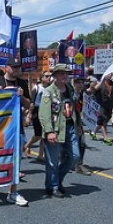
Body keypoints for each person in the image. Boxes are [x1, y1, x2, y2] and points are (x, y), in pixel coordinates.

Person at [0, 58, 30, 207]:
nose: (16, 69)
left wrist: (22, 97)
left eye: (18, 67)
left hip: (15, 127)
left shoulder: (22, 83)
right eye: (13, 67)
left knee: (15, 160)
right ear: (6, 68)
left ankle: (12, 192)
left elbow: (29, 104)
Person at [38, 64, 81, 198]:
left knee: (75, 156)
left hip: (70, 127)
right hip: (55, 129)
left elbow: (75, 108)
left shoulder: (69, 89)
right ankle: (53, 186)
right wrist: (49, 131)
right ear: (55, 76)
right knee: (53, 160)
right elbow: (44, 113)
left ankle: (56, 179)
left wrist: (78, 124)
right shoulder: (48, 91)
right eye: (62, 73)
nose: (65, 76)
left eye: (66, 73)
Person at [24, 70, 52, 160]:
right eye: (46, 76)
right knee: (38, 134)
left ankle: (40, 154)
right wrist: (29, 115)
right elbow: (31, 103)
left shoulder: (51, 89)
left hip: (47, 111)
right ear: (41, 78)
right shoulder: (36, 88)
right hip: (37, 110)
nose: (49, 78)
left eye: (50, 76)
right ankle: (27, 145)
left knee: (45, 135)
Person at [89, 73, 113, 146]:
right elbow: (93, 91)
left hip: (109, 105)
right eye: (108, 74)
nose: (110, 76)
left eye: (111, 74)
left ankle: (93, 133)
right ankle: (105, 138)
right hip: (101, 105)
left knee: (101, 121)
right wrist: (93, 100)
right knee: (103, 120)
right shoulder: (101, 83)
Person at [72, 78, 92, 176]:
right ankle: (63, 162)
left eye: (82, 82)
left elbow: (83, 107)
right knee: (67, 143)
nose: (81, 84)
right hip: (70, 122)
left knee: (82, 143)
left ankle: (79, 164)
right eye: (78, 82)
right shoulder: (69, 94)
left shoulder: (83, 95)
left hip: (79, 122)